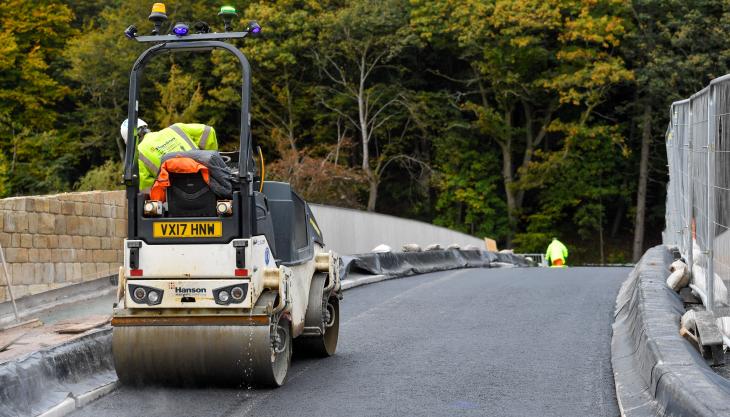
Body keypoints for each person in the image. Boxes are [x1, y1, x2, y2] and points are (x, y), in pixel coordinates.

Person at [120, 119, 218, 192]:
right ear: (145, 127)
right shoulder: (175, 129)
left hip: (177, 196)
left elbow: (146, 189)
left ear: (130, 142)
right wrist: (208, 156)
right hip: (208, 181)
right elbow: (208, 131)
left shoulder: (139, 154)